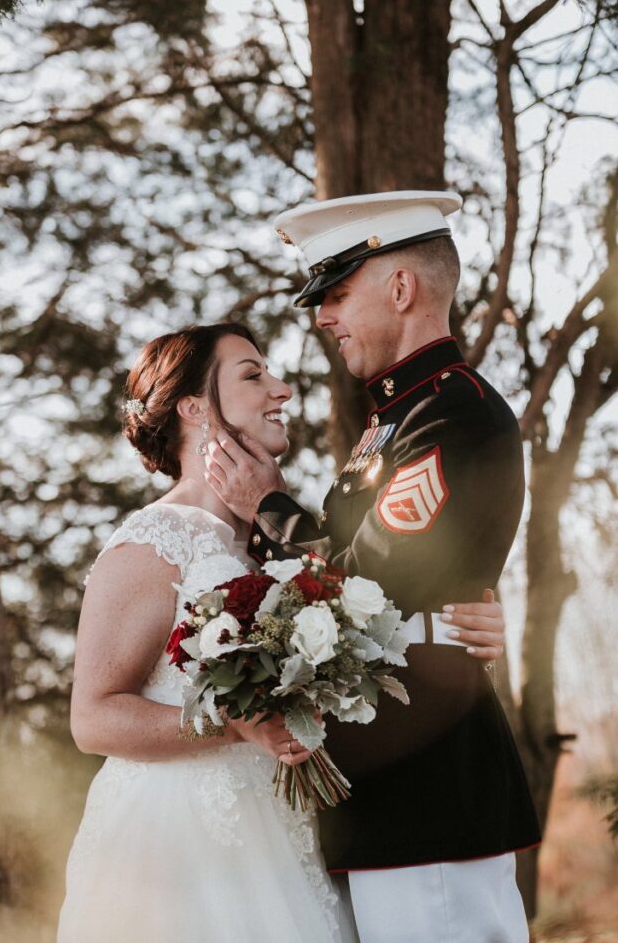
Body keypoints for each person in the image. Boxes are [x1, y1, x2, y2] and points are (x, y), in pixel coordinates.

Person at [57, 319, 502, 943]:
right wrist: (231, 724)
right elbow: (93, 719)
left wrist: (460, 623)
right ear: (192, 407)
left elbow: (370, 595)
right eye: (253, 375)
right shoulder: (148, 545)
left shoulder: (276, 547)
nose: (282, 389)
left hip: (290, 835)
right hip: (182, 850)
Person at [204, 191, 542, 943]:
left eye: (336, 292)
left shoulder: (453, 415)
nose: (322, 315)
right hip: (384, 780)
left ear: (401, 287)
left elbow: (370, 586)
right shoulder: (394, 422)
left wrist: (270, 504)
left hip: (428, 784)